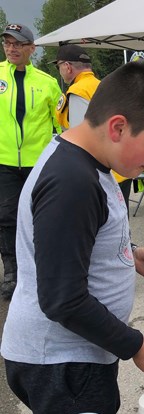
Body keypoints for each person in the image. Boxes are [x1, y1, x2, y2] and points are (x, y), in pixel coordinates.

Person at [1, 60, 144, 414]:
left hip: (76, 356)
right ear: (118, 126)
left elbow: (77, 241)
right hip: (62, 363)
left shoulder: (92, 162)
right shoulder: (72, 181)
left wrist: (130, 254)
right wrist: (136, 345)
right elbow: (62, 299)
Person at [0, 23, 62, 300]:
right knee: (6, 218)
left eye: (18, 44)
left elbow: (62, 123)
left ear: (31, 48)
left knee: (40, 217)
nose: (12, 48)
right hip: (4, 162)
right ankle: (12, 274)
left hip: (38, 164)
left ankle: (39, 270)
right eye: (7, 43)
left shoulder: (47, 83)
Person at [51, 44, 134, 208]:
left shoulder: (78, 90)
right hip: (119, 169)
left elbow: (80, 139)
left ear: (67, 67)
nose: (59, 70)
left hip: (97, 174)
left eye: (58, 66)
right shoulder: (103, 85)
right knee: (118, 226)